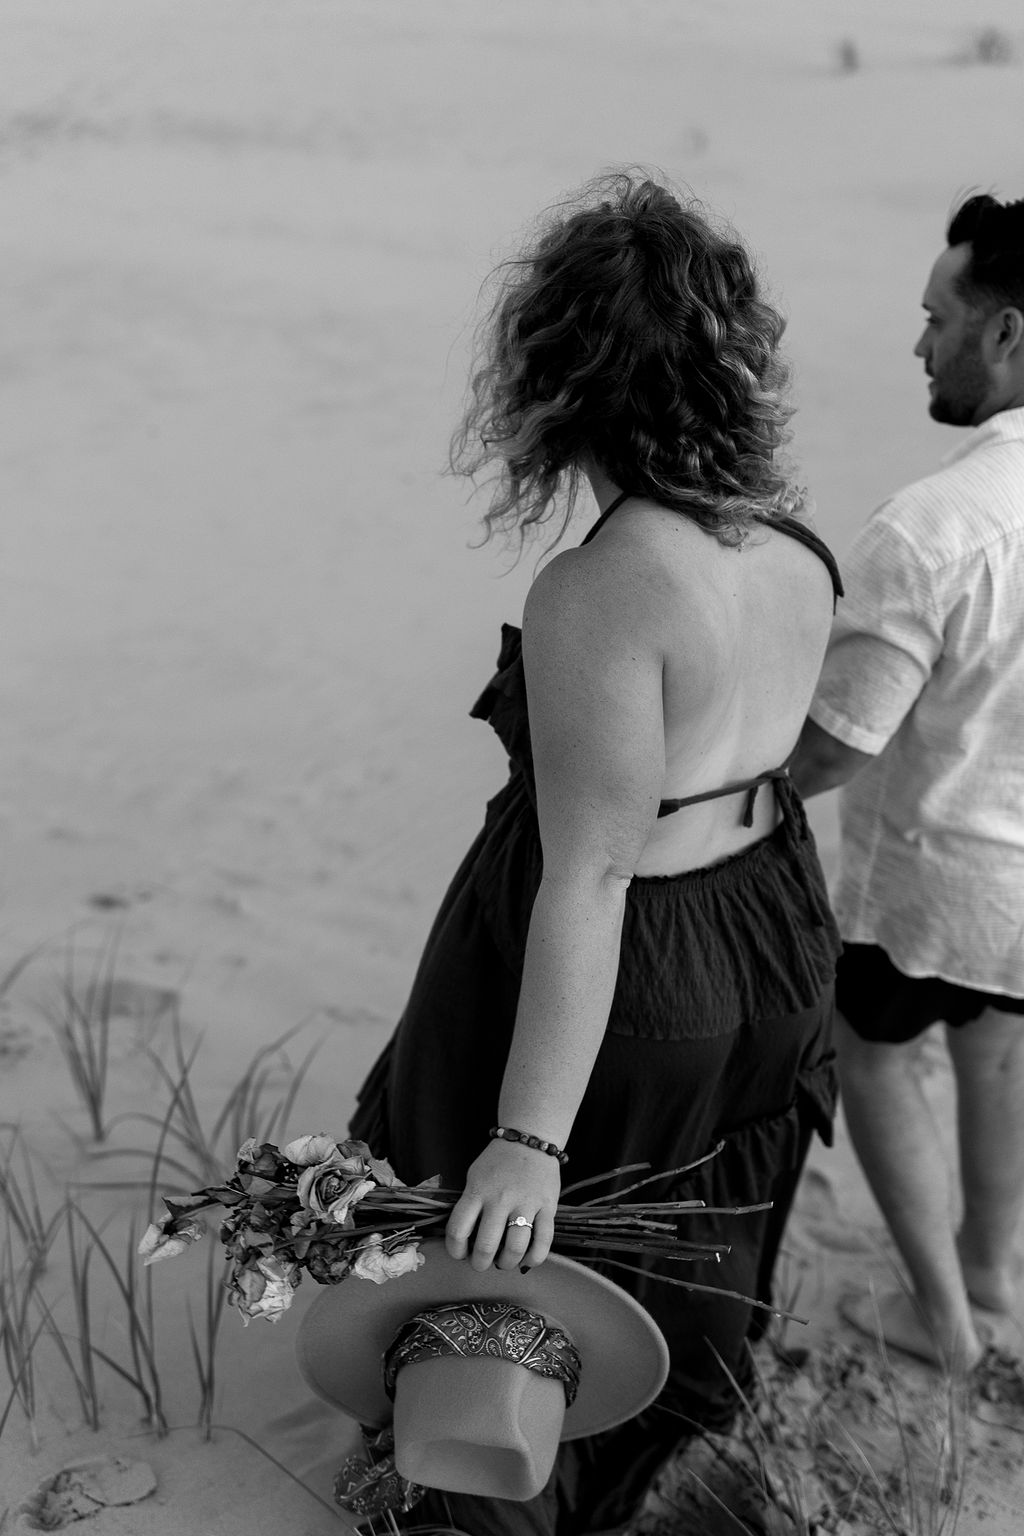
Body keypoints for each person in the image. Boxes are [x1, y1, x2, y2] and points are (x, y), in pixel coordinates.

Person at [351, 169, 842, 1535]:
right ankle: (653, 1478)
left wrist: (523, 1138)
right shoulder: (793, 550)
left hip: (644, 964)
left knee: (516, 1251)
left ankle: (486, 1495)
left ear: (561, 376)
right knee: (701, 1231)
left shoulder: (602, 588)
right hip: (776, 924)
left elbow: (596, 872)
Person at [791, 193, 1024, 1372]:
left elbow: (842, 742)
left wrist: (738, 789)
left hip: (941, 871)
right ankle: (992, 1273)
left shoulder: (933, 525)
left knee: (869, 1052)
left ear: (1006, 335)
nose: (917, 343)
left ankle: (942, 1319)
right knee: (990, 1046)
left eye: (937, 317)